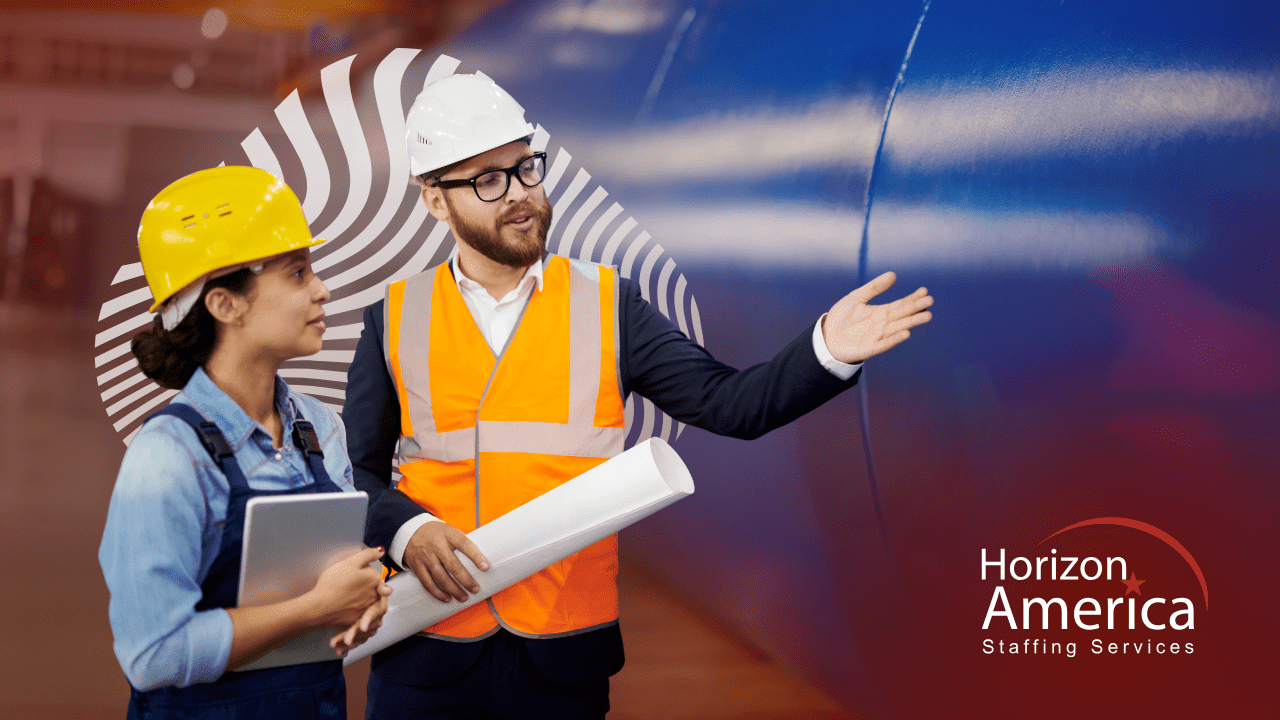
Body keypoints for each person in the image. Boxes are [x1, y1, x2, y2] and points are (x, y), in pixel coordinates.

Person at [343, 74, 934, 719]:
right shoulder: (395, 318)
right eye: (488, 180)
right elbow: (353, 474)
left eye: (526, 169)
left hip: (562, 657)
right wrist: (407, 531)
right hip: (428, 650)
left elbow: (728, 403)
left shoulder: (607, 305)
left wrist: (826, 352)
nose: (519, 196)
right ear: (435, 200)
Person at [99, 166, 393, 719]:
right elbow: (154, 654)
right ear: (225, 304)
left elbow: (335, 608)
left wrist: (358, 605)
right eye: (299, 273)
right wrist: (312, 608)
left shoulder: (321, 429)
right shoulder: (166, 458)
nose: (322, 291)